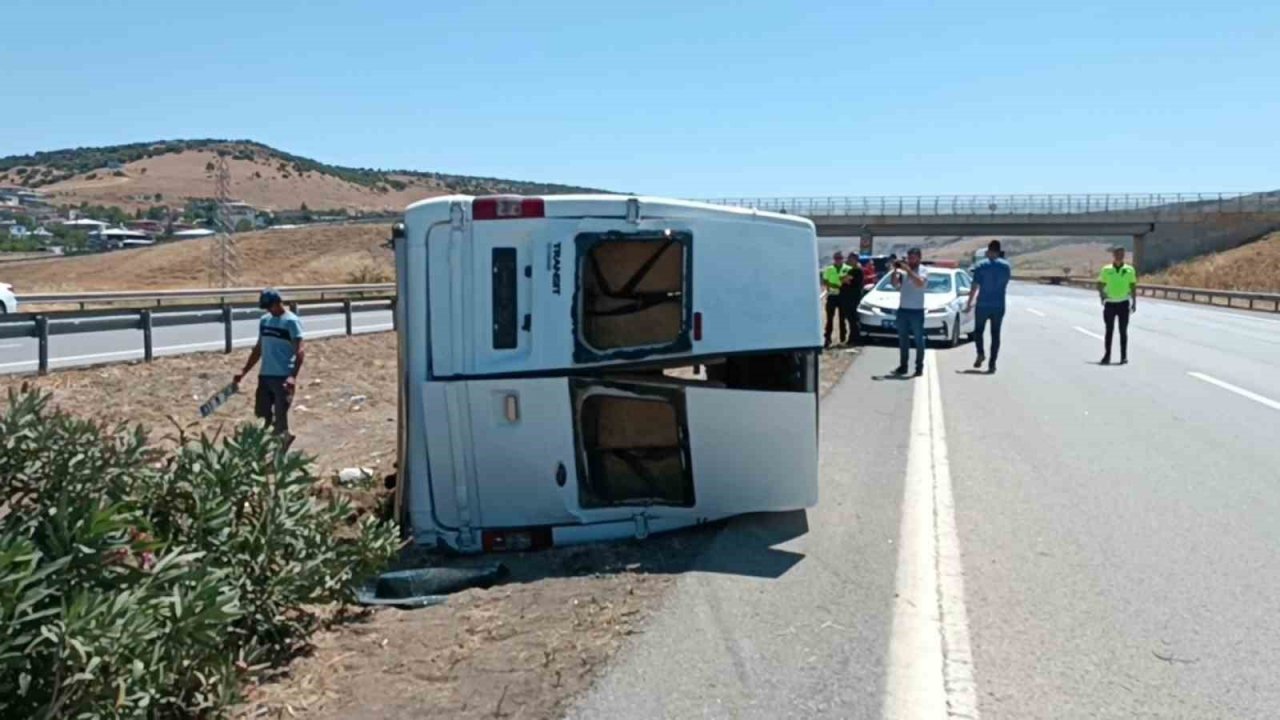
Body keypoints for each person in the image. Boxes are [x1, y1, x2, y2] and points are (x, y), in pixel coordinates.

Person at [234, 288, 306, 443]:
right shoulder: (265, 320)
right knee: (261, 414)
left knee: (280, 415)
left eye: (270, 306)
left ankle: (280, 449)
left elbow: (299, 350)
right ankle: (276, 442)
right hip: (265, 375)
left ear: (278, 303)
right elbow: (259, 348)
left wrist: (292, 376)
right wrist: (244, 371)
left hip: (283, 377)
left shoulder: (291, 321)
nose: (268, 310)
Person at [965, 239, 1012, 373]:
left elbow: (974, 286)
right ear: (999, 251)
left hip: (983, 304)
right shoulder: (1006, 266)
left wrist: (969, 303)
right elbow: (1006, 282)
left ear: (988, 251)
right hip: (998, 304)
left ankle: (980, 353)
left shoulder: (981, 266)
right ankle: (992, 364)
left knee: (978, 331)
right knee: (995, 334)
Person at [1097, 246, 1137, 364]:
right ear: (1113, 255)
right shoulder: (1106, 269)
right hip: (1110, 303)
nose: (1120, 256)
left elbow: (1133, 286)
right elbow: (1100, 284)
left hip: (1124, 303)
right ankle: (1107, 356)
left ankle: (1123, 356)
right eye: (1118, 254)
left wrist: (1134, 302)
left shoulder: (1130, 270)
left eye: (1122, 254)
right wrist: (1102, 296)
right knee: (1109, 330)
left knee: (1123, 331)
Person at [891, 248, 928, 376]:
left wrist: (908, 270)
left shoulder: (922, 270)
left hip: (916, 311)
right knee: (903, 339)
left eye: (912, 258)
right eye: (909, 258)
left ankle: (919, 367)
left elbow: (920, 283)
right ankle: (903, 365)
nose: (910, 260)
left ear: (919, 258)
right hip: (903, 310)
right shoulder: (904, 272)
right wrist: (894, 271)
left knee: (918, 339)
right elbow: (896, 286)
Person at [820, 251, 855, 347]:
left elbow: (850, 280)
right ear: (834, 259)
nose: (838, 260)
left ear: (843, 259)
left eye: (840, 258)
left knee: (842, 318)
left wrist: (842, 284)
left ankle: (843, 338)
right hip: (832, 295)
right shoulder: (829, 269)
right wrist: (834, 285)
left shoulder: (848, 269)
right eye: (836, 258)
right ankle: (827, 338)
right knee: (829, 319)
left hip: (843, 296)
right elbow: (825, 280)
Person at [839, 250, 863, 343]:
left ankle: (855, 338)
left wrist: (845, 279)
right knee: (849, 318)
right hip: (845, 297)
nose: (849, 260)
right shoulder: (847, 269)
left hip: (853, 297)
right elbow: (841, 279)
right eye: (849, 258)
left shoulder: (857, 270)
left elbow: (850, 281)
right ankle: (851, 338)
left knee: (853, 318)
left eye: (852, 258)